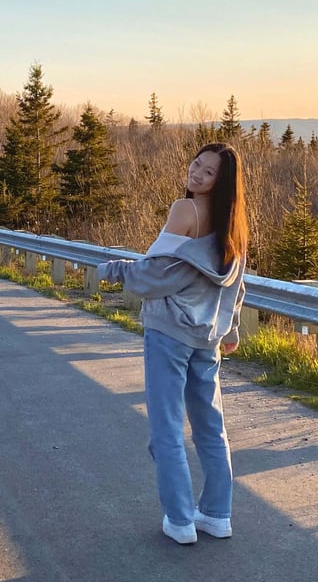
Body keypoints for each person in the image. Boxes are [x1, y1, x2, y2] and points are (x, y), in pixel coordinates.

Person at [97, 142, 248, 544]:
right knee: (210, 429)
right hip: (208, 337)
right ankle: (217, 514)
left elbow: (153, 272)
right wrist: (231, 330)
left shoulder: (185, 210)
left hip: (169, 333)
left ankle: (180, 521)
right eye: (196, 164)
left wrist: (115, 271)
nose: (196, 173)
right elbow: (236, 286)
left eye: (208, 172)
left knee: (166, 429)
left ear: (221, 182)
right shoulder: (234, 226)